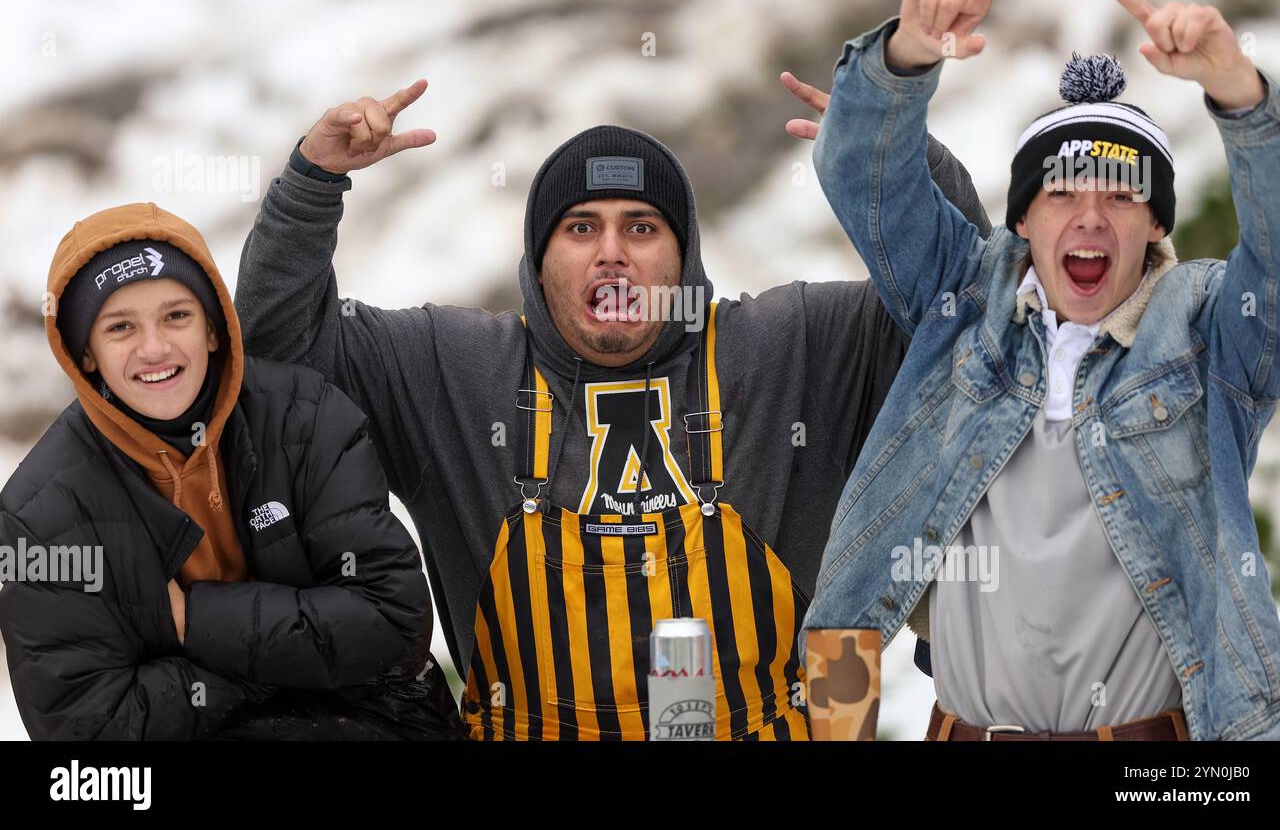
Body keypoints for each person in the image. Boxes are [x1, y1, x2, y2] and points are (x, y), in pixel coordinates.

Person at [234, 83, 991, 739]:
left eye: (641, 226)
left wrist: (899, 159)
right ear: (539, 260)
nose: (612, 253)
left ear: (683, 252)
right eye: (580, 228)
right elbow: (281, 357)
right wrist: (312, 184)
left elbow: (960, 305)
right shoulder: (449, 369)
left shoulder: (792, 348)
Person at [803, 0, 1280, 740]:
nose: (1092, 218)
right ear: (1024, 221)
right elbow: (861, 175)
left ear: (1158, 223)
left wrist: (1241, 96)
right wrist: (905, 59)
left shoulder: (1210, 336)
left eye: (1122, 193)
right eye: (1063, 191)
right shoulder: (963, 303)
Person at [0, 203, 459, 739]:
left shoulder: (306, 415)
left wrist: (194, 621)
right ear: (86, 355)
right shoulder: (40, 516)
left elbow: (392, 624)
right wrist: (286, 661)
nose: (155, 348)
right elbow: (91, 730)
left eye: (177, 316)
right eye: (120, 326)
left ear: (214, 330)